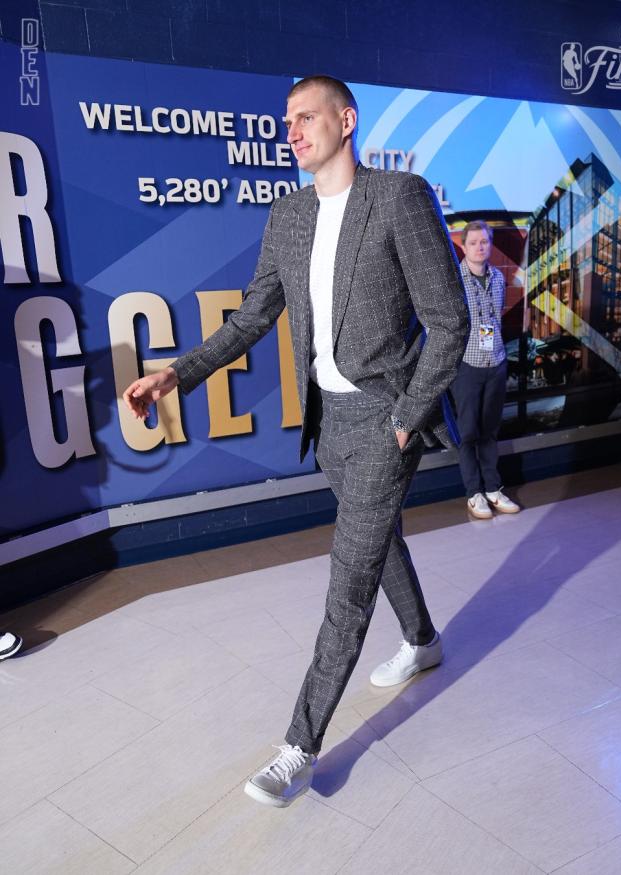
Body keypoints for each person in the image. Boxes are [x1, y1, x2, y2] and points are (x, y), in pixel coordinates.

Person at [123, 75, 468, 808]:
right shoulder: (288, 215)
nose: (293, 131)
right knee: (379, 541)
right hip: (328, 421)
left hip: (384, 418)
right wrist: (176, 375)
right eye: (287, 122)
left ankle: (299, 748)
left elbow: (450, 320)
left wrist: (407, 416)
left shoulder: (398, 197)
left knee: (348, 582)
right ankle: (423, 639)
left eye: (306, 117)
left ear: (347, 120)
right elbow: (252, 317)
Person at [449, 221, 520, 520]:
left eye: (485, 242)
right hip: (467, 366)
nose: (480, 247)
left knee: (490, 432)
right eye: (474, 242)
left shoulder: (498, 278)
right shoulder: (455, 280)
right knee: (467, 433)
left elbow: (496, 317)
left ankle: (493, 488)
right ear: (464, 246)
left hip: (496, 363)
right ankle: (474, 492)